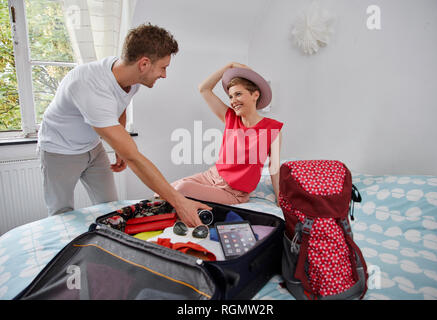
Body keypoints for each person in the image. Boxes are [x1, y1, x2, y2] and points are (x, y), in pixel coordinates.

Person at [37, 23, 210, 227]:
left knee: (111, 208)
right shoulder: (90, 86)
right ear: (144, 64)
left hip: (92, 147)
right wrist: (179, 202)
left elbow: (120, 105)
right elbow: (133, 157)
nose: (164, 75)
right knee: (61, 214)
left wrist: (119, 143)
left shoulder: (129, 77)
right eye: (163, 67)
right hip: (59, 149)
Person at [168, 62, 283, 206]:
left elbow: (274, 168)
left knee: (181, 189)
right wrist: (228, 67)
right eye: (231, 96)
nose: (233, 101)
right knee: (163, 191)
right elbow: (204, 89)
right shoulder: (230, 117)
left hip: (233, 192)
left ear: (255, 95)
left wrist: (279, 199)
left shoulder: (272, 129)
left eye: (238, 94)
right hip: (210, 177)